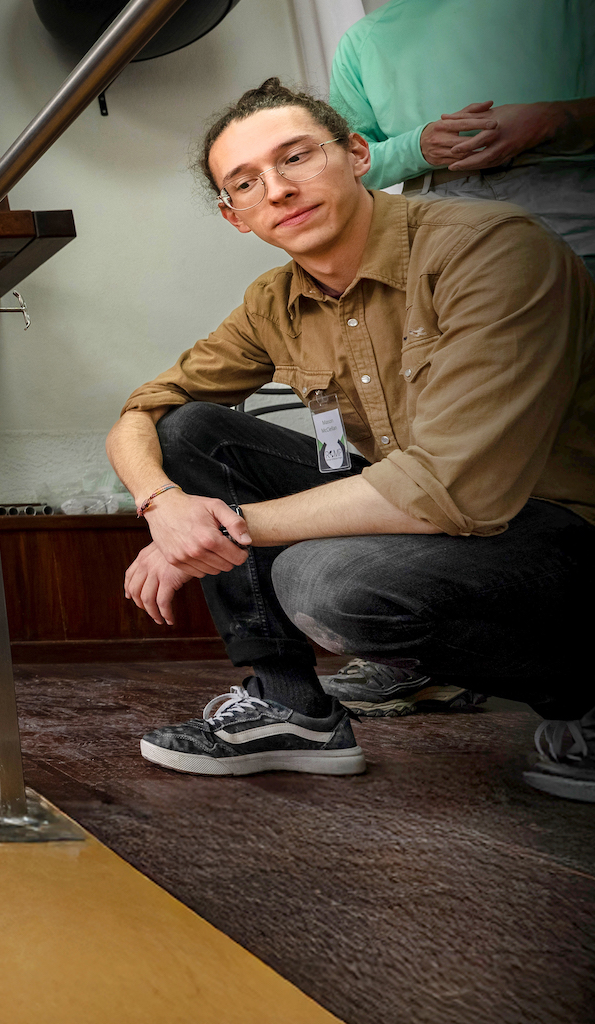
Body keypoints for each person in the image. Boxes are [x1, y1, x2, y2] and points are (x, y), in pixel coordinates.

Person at [104, 77, 595, 803]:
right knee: (193, 430)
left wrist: (213, 533)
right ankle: (289, 709)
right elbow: (141, 412)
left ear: (357, 153)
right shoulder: (276, 300)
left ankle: (583, 702)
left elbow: (452, 486)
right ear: (233, 214)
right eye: (246, 181)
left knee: (327, 583)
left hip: (560, 530)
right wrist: (162, 503)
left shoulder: (491, 251)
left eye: (296, 157)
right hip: (443, 526)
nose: (277, 189)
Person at [329, 0, 595, 277]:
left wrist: (552, 120)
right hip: (443, 229)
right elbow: (347, 166)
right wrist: (420, 146)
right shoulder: (361, 42)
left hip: (575, 204)